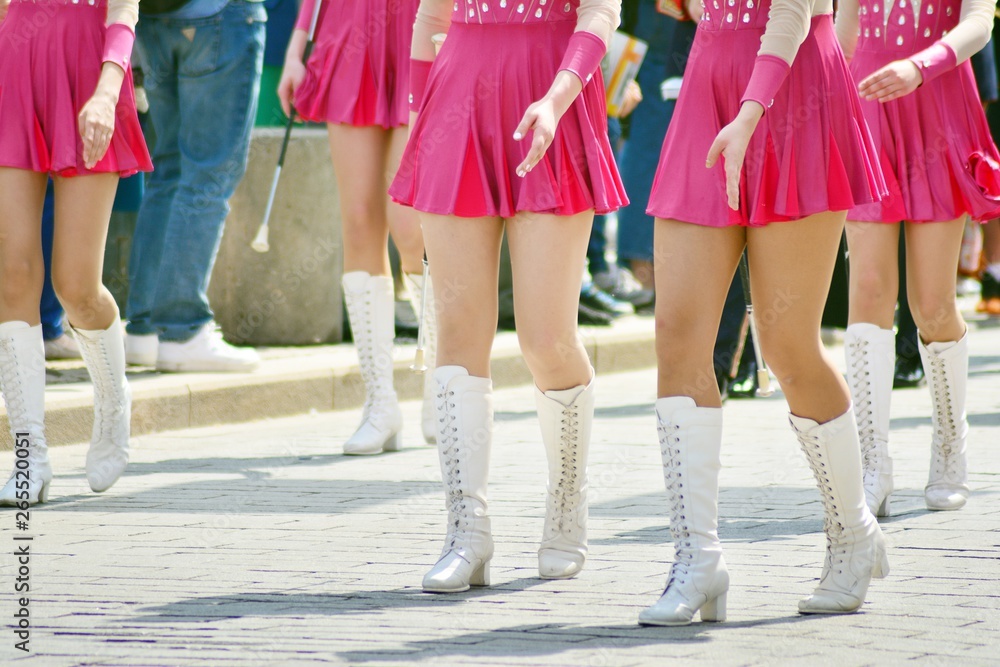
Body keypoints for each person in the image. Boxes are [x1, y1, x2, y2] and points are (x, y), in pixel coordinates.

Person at [639, 0, 889, 625]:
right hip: (710, 83)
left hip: (794, 85)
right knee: (676, 336)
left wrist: (750, 112)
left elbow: (794, 10)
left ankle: (853, 534)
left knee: (786, 345)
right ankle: (697, 561)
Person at [390, 0, 627, 593]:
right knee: (458, 333)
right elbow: (429, 21)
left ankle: (567, 500)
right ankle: (466, 532)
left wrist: (557, 96)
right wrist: (423, 120)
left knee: (546, 339)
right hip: (456, 104)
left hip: (555, 103)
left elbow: (601, 14)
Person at [836, 0, 998, 516]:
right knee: (867, 288)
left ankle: (951, 445)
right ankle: (871, 463)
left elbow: (978, 21)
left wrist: (920, 66)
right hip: (865, 106)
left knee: (932, 304)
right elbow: (845, 30)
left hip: (939, 103)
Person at [0, 0, 151, 505]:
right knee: (12, 274)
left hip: (92, 78)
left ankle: (112, 402)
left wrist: (108, 93)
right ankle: (29, 456)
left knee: (76, 286)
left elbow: (124, 12)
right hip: (15, 70)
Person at [278, 0, 434, 453]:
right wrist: (296, 49)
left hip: (422, 26)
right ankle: (379, 404)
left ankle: (441, 384)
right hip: (348, 31)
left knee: (412, 227)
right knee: (360, 221)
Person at [124, 0, 265, 373]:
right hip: (221, 16)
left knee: (167, 171)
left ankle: (144, 329)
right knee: (208, 176)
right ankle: (183, 329)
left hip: (155, 18)